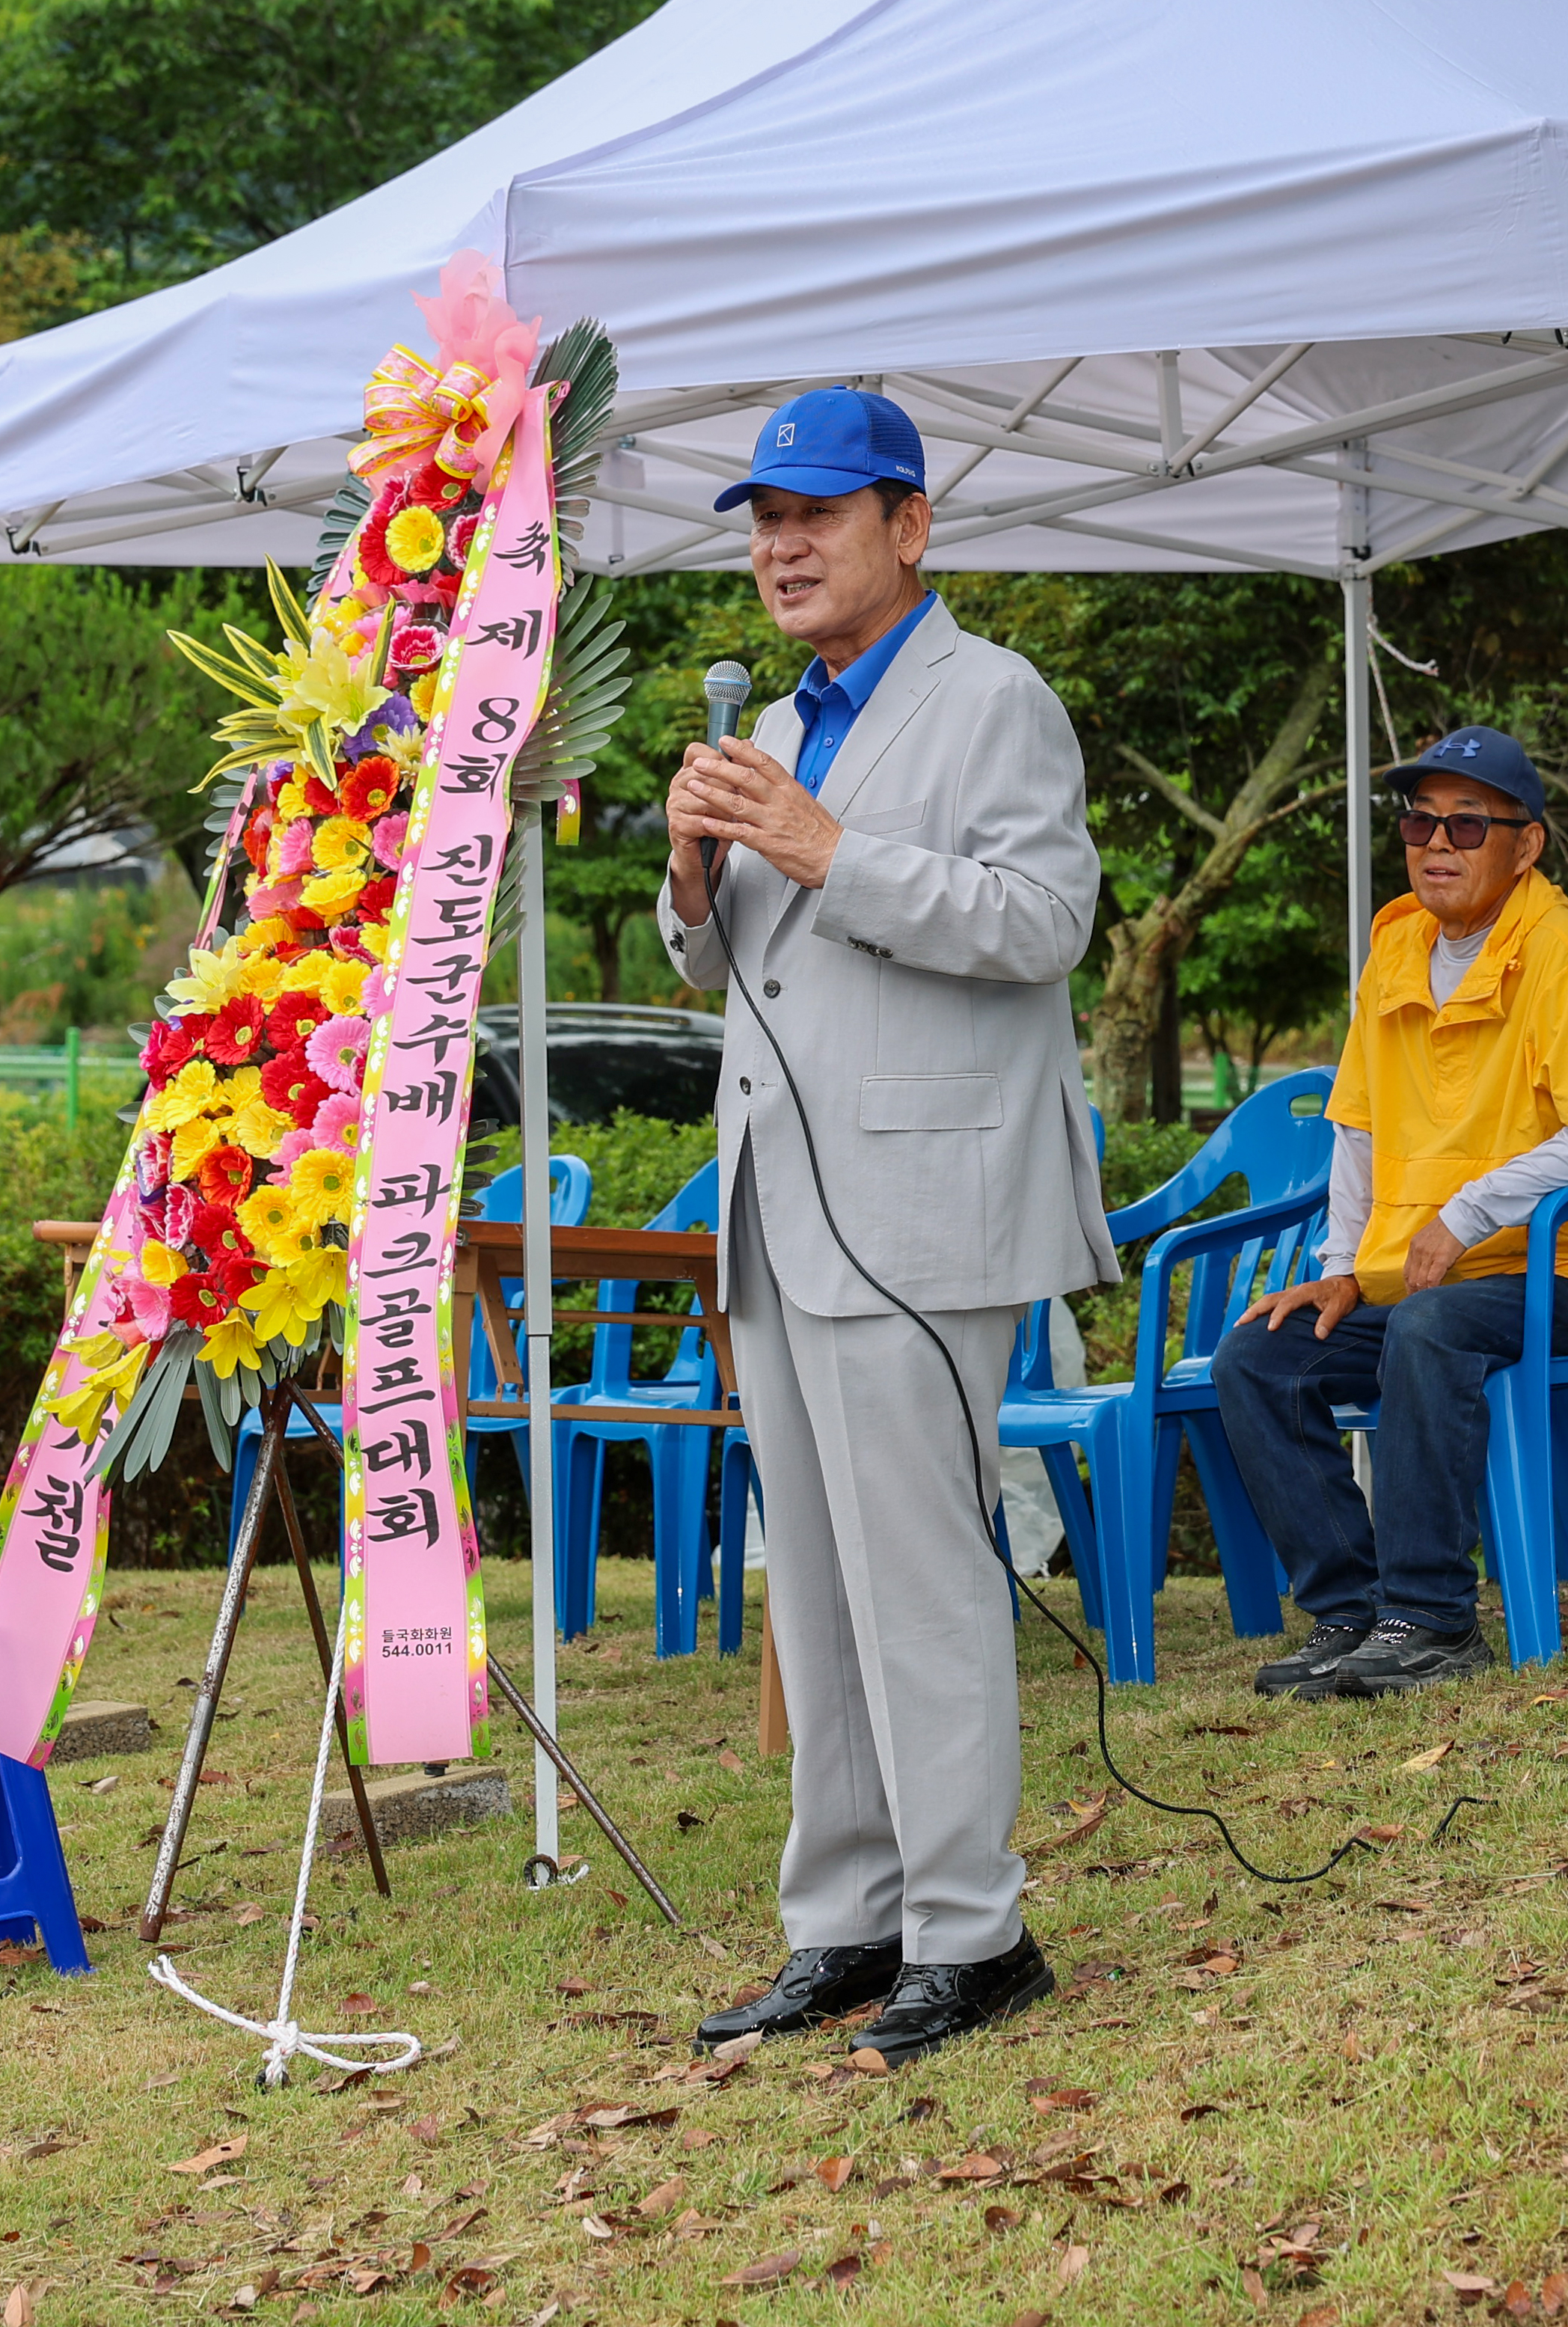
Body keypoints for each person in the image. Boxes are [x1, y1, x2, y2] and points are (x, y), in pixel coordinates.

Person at [661, 387, 1115, 2066]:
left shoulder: (995, 698)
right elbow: (731, 964)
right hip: (778, 1202)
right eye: (764, 522)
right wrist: (694, 881)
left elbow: (1046, 920)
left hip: (923, 1206)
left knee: (918, 1574)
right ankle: (846, 1922)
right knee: (816, 1580)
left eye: (817, 516)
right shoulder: (774, 724)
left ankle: (972, 1931)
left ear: (909, 527)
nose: (781, 549)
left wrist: (828, 849)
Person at [1212, 727, 1568, 1700]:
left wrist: (1468, 1211)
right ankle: (1351, 1612)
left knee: (1429, 1327)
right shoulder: (1397, 950)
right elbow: (1359, 1126)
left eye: (1467, 823)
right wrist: (1340, 1267)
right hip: (1426, 1283)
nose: (1438, 844)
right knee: (1259, 1355)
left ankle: (1431, 1619)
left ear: (1526, 844)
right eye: (1420, 823)